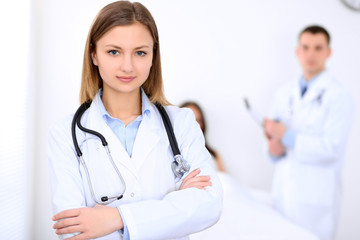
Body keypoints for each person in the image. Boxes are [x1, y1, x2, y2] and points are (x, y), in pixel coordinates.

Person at [47, 1, 222, 240]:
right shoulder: (65, 134)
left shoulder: (182, 123)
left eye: (140, 52)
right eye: (114, 52)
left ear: (153, 57)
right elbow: (74, 230)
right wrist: (174, 208)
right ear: (94, 54)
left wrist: (116, 218)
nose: (127, 66)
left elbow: (207, 205)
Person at [264, 25, 353, 240]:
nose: (310, 54)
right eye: (305, 47)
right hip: (283, 192)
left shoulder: (339, 95)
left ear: (328, 52)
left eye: (318, 48)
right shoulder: (284, 93)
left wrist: (288, 136)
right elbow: (273, 147)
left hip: (315, 202)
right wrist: (274, 148)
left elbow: (333, 148)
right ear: (298, 51)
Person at [180, 101, 226, 172]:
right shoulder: (171, 154)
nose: (195, 125)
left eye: (198, 120)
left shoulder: (214, 154)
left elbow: (225, 179)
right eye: (190, 120)